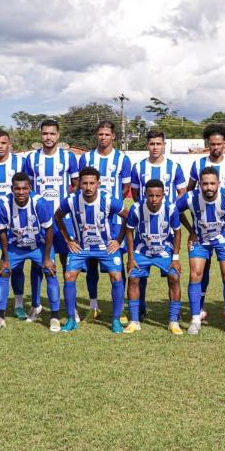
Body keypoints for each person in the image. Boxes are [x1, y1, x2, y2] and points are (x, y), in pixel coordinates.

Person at [54, 167, 129, 333]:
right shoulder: (71, 200)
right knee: (69, 275)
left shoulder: (109, 200)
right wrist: (68, 239)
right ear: (79, 184)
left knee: (117, 276)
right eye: (85, 183)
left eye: (92, 183)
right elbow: (57, 216)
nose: (88, 187)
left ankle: (116, 320)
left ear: (98, 183)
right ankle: (71, 319)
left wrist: (118, 240)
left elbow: (129, 216)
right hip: (81, 246)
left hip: (106, 247)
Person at [176, 167, 225, 336]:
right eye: (205, 183)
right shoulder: (190, 197)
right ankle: (195, 319)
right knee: (195, 274)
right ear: (199, 184)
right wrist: (191, 231)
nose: (209, 187)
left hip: (223, 239)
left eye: (212, 183)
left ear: (219, 183)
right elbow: (174, 211)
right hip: (200, 240)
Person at [185, 123, 225, 322]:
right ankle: (198, 309)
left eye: (219, 144)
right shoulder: (198, 164)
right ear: (208, 144)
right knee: (201, 269)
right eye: (212, 144)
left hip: (224, 228)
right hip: (201, 228)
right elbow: (189, 191)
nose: (216, 147)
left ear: (224, 144)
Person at [23, 119, 79, 318]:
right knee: (38, 262)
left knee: (68, 262)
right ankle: (36, 304)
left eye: (52, 134)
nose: (48, 137)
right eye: (45, 133)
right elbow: (26, 187)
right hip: (38, 221)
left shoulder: (69, 158)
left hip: (64, 220)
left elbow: (76, 185)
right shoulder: (30, 159)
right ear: (41, 135)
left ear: (58, 135)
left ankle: (71, 306)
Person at [77, 122, 132, 323]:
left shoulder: (122, 159)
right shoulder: (86, 158)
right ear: (96, 136)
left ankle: (121, 307)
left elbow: (126, 188)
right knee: (91, 264)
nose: (103, 137)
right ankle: (93, 306)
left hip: (114, 222)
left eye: (107, 134)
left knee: (116, 266)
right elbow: (79, 185)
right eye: (100, 134)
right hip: (89, 220)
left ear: (113, 136)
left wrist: (110, 205)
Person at [0, 172, 62, 332]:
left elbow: (49, 230)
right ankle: (0, 317)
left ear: (30, 188)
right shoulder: (3, 204)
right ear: (12, 189)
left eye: (25, 188)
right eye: (17, 189)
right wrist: (4, 257)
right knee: (3, 272)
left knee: (49, 271)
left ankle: (55, 317)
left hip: (39, 246)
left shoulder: (40, 203)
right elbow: (2, 232)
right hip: (16, 246)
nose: (21, 192)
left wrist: (47, 258)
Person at [130, 130, 186, 321]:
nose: (155, 147)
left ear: (164, 145)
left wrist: (169, 211)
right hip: (144, 229)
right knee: (140, 273)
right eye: (152, 144)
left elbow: (182, 193)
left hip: (167, 230)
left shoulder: (174, 167)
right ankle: (141, 308)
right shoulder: (138, 167)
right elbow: (136, 195)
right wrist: (147, 211)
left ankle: (174, 317)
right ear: (147, 145)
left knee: (172, 274)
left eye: (158, 144)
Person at [125, 179, 183, 334]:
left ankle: (173, 321)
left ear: (163, 195)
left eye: (158, 195)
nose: (154, 199)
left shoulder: (171, 209)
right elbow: (129, 232)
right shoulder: (136, 209)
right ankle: (134, 320)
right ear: (145, 194)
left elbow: (177, 232)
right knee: (133, 278)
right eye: (150, 195)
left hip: (164, 250)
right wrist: (131, 258)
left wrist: (176, 258)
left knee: (174, 278)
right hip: (142, 250)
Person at [0, 130, 29, 321]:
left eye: (3, 143)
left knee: (15, 265)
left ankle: (18, 304)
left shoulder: (20, 163)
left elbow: (27, 187)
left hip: (15, 222)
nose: (0, 146)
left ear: (9, 144)